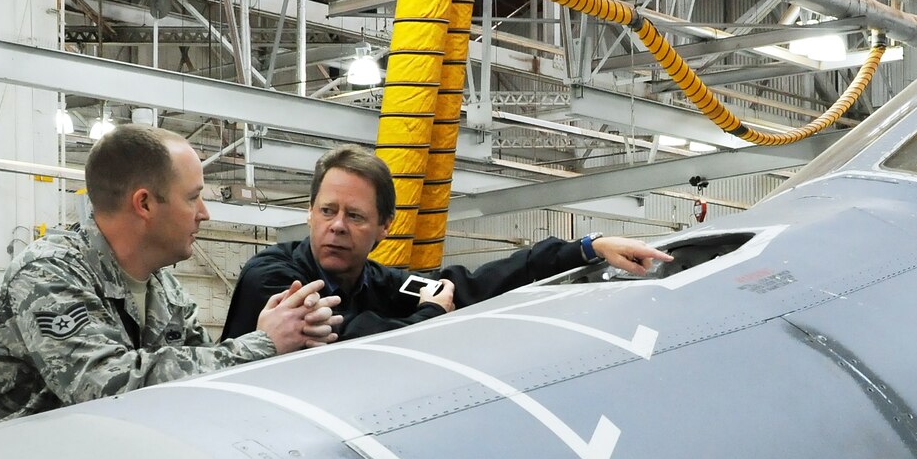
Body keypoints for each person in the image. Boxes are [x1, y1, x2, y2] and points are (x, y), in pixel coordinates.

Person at [0, 126, 340, 431]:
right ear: (144, 204)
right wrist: (260, 345)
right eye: (193, 197)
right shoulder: (47, 272)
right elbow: (103, 388)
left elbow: (199, 376)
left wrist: (283, 332)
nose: (204, 213)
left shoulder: (165, 291)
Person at [220, 145, 673, 342]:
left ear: (384, 226)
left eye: (355, 216)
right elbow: (351, 345)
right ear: (309, 213)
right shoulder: (275, 278)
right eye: (327, 211)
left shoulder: (377, 282)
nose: (337, 226)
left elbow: (472, 284)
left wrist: (587, 248)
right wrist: (431, 315)